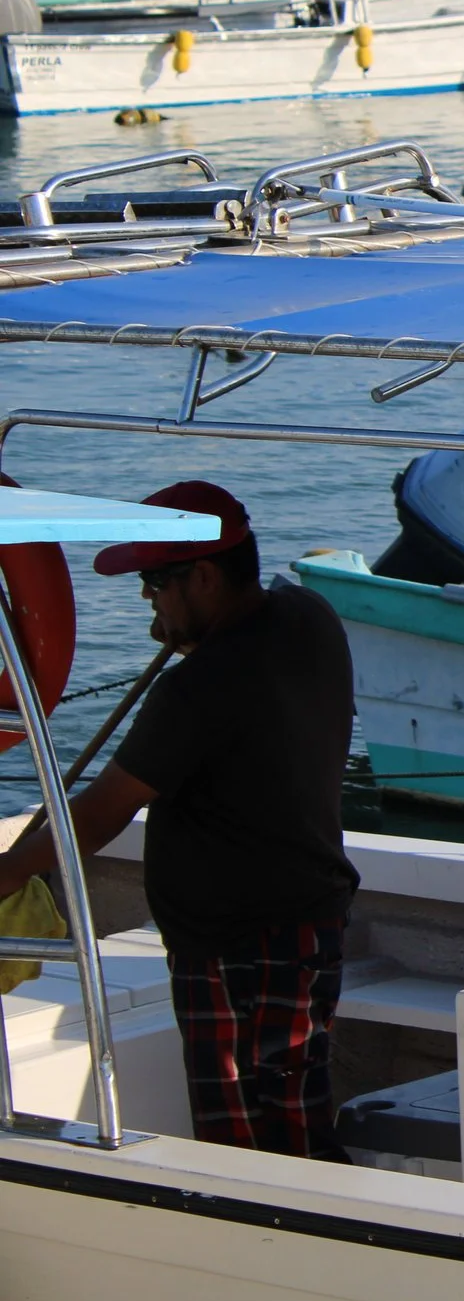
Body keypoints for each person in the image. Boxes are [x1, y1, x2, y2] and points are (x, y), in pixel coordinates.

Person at [0, 482, 359, 1158]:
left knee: (240, 1130)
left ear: (203, 575)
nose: (146, 598)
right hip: (306, 919)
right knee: (293, 1114)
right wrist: (188, 630)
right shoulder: (308, 618)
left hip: (235, 945)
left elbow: (101, 812)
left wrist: (8, 871)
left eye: (156, 581)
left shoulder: (199, 688)